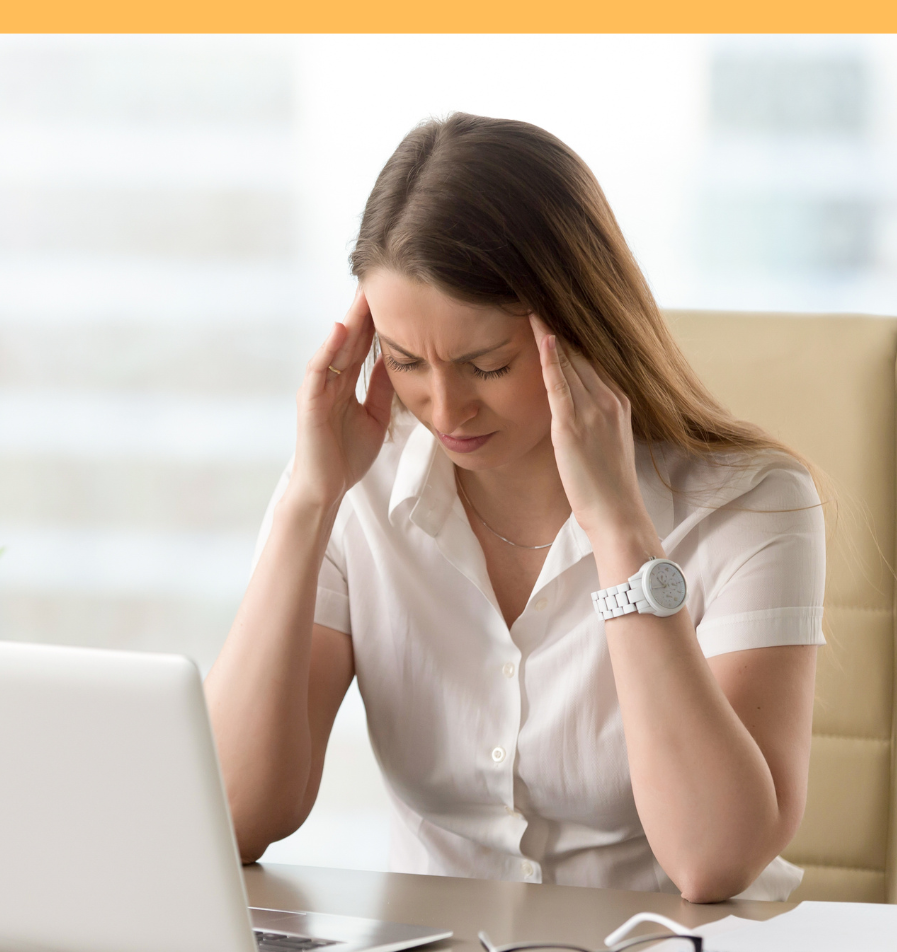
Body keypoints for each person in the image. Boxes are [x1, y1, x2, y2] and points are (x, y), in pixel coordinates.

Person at [205, 113, 825, 904]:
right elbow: (233, 815)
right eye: (404, 361)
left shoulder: (751, 507)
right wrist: (308, 500)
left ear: (583, 329)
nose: (445, 408)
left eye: (487, 365)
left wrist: (620, 532)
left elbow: (713, 861)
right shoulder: (353, 487)